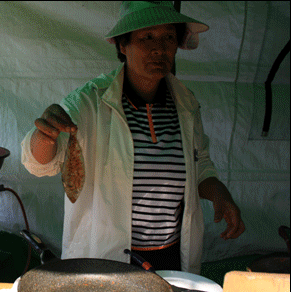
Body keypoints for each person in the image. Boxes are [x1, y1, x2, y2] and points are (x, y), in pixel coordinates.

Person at [21, 1, 245, 273]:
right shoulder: (91, 101)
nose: (159, 48)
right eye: (147, 37)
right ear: (122, 45)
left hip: (171, 256)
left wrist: (221, 195)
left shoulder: (186, 103)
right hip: (108, 256)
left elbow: (201, 166)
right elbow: (40, 164)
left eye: (169, 37)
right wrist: (45, 136)